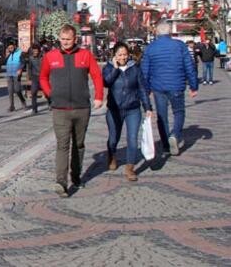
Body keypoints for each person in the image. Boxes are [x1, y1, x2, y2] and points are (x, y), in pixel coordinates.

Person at [40, 24, 104, 197]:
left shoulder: (85, 55)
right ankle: (61, 182)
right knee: (63, 145)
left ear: (75, 39)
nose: (65, 42)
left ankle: (76, 176)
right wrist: (49, 93)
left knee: (79, 145)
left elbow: (97, 75)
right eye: (63, 39)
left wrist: (99, 96)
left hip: (82, 108)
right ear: (59, 38)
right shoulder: (50, 56)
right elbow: (43, 77)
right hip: (60, 109)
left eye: (68, 39)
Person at [141, 22, 198, 157]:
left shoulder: (150, 48)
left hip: (158, 87)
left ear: (156, 33)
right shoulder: (180, 46)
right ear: (170, 33)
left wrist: (146, 89)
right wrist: (193, 85)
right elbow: (189, 67)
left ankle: (166, 146)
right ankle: (175, 134)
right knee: (179, 112)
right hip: (177, 85)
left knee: (162, 116)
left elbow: (145, 71)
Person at [102, 42, 154, 181]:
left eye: (125, 54)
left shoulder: (135, 68)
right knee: (113, 139)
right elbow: (106, 82)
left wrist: (147, 107)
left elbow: (142, 88)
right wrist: (115, 68)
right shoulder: (108, 67)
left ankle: (130, 168)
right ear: (114, 55)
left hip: (133, 108)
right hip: (114, 110)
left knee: (132, 139)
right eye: (120, 55)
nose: (123, 57)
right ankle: (112, 155)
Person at [4, 41, 26, 112]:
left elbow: (23, 62)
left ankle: (23, 101)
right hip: (9, 74)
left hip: (17, 74)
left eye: (12, 47)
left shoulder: (20, 53)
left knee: (17, 90)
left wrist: (20, 69)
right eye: (9, 48)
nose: (10, 49)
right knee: (10, 91)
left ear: (14, 46)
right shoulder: (8, 54)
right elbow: (4, 62)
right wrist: (6, 55)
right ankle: (12, 106)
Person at [26, 44, 43, 115]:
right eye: (34, 51)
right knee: (33, 92)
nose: (35, 52)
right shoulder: (30, 58)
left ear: (39, 51)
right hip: (35, 77)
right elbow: (29, 68)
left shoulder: (42, 57)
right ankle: (34, 109)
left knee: (46, 91)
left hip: (43, 77)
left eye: (36, 51)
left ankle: (49, 102)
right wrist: (29, 78)